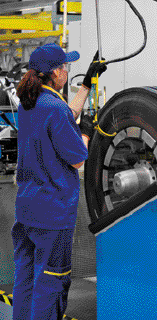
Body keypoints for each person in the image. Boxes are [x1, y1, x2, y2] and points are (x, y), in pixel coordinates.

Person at [12, 43, 106, 320]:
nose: (67, 71)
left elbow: (66, 115)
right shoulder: (54, 108)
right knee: (51, 281)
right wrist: (86, 132)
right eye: (65, 66)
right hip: (53, 214)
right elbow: (78, 159)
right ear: (55, 72)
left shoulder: (30, 104)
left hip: (27, 209)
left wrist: (86, 85)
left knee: (26, 279)